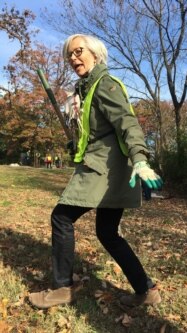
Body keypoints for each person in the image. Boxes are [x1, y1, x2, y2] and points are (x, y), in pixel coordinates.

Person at [28, 34, 163, 309]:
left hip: (105, 169)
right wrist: (75, 143)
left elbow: (128, 124)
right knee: (108, 233)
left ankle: (62, 288)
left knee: (62, 217)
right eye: (70, 55)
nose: (73, 58)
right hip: (107, 168)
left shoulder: (105, 85)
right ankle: (146, 289)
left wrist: (140, 159)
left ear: (95, 54)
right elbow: (97, 132)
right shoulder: (85, 90)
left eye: (78, 51)